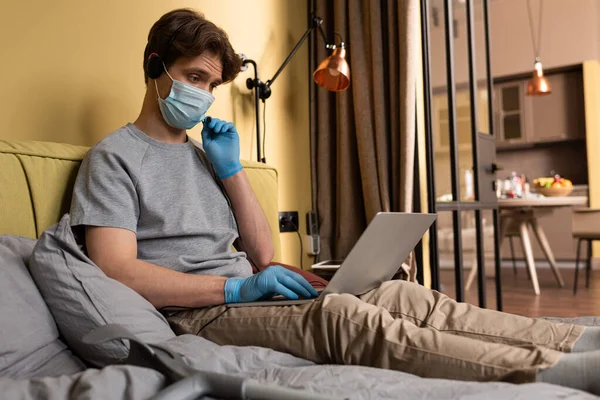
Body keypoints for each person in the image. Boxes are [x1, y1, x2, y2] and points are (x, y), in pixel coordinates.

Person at [70, 8, 600, 395]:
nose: (204, 95)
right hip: (198, 312)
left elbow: (260, 253)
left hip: (247, 292)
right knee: (345, 316)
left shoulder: (207, 154)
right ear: (155, 65)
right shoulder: (113, 158)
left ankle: (573, 341)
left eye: (212, 85)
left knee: (404, 298)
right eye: (194, 79)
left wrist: (231, 171)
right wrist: (234, 286)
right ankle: (551, 372)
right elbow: (116, 270)